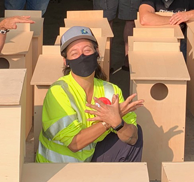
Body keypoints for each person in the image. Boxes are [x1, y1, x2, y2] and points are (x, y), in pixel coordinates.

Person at [36, 26, 144, 163]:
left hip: (88, 160)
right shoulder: (58, 91)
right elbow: (75, 144)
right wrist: (108, 121)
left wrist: (118, 123)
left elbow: (133, 138)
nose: (82, 56)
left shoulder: (111, 90)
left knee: (135, 132)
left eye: (87, 50)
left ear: (97, 52)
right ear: (66, 61)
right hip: (55, 170)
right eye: (74, 53)